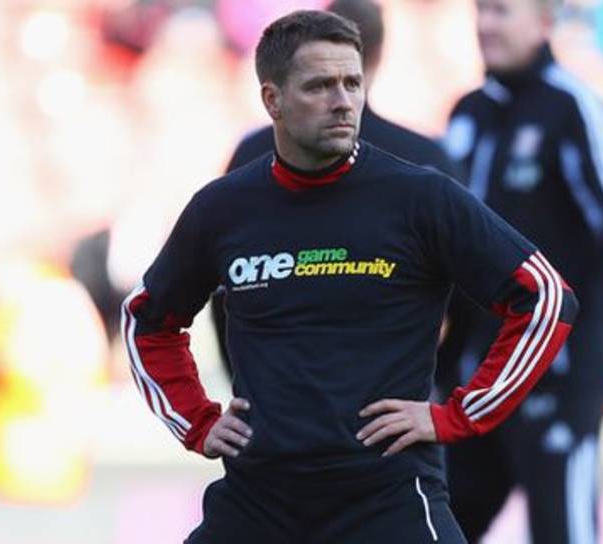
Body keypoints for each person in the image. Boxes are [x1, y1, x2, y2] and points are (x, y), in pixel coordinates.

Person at [121, 9, 578, 543]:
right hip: (259, 500)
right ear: (272, 100)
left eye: (352, 83)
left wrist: (456, 414)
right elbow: (147, 320)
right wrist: (198, 421)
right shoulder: (223, 208)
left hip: (387, 499)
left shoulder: (420, 196)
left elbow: (546, 296)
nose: (342, 101)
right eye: (319, 86)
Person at [437, 1, 603, 542]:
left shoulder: (574, 108)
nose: (485, 24)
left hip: (558, 369)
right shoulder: (468, 114)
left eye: (501, 11)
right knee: (441, 524)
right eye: (480, 10)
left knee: (562, 528)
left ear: (544, 23)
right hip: (474, 370)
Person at [210, 0, 460, 373]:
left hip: (278, 388)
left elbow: (217, 287)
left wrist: (242, 380)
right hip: (390, 390)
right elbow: (470, 293)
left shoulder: (251, 154)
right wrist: (440, 390)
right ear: (379, 54)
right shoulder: (421, 158)